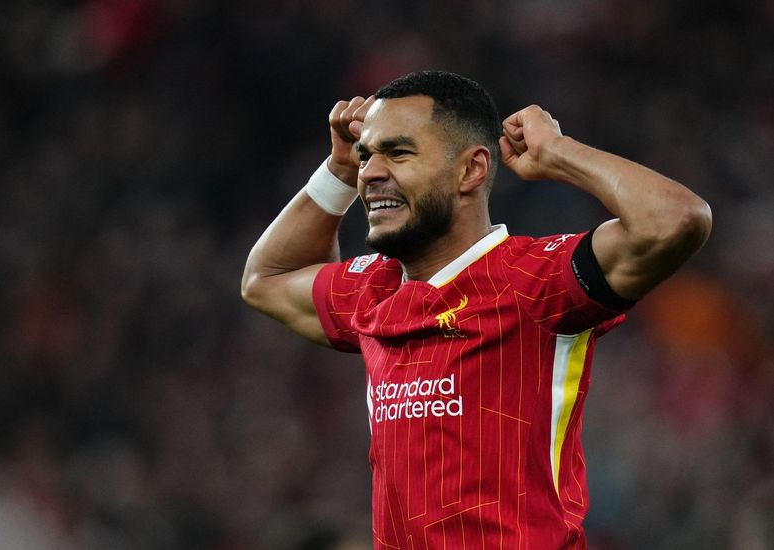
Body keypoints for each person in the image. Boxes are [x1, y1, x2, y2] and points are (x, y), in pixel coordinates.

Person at [241, 70, 712, 548]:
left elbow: (675, 219)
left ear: (471, 170)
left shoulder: (533, 280)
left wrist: (559, 154)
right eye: (367, 155)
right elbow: (267, 278)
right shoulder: (375, 290)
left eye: (398, 152)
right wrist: (337, 170)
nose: (371, 172)